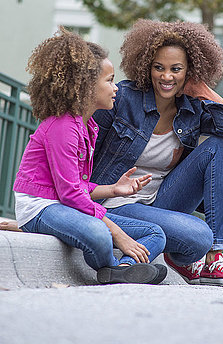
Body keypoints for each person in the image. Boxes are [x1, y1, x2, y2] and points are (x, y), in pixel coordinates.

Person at [91, 19, 223, 287]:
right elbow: (88, 151)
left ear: (190, 71)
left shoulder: (192, 109)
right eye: (159, 68)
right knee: (198, 235)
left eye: (176, 69)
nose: (166, 77)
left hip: (162, 201)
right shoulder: (123, 99)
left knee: (222, 145)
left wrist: (201, 89)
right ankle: (185, 257)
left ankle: (215, 259)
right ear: (147, 66)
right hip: (117, 202)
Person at [13, 27, 167, 285]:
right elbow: (70, 193)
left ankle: (121, 269)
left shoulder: (88, 126)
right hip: (40, 207)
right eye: (109, 80)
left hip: (63, 204)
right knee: (100, 233)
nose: (115, 87)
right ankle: (112, 267)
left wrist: (113, 190)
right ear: (85, 86)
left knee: (155, 233)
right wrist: (115, 231)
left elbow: (77, 186)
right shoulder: (62, 126)